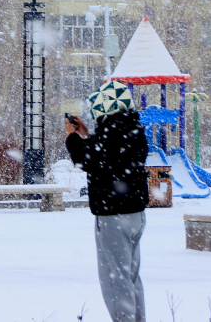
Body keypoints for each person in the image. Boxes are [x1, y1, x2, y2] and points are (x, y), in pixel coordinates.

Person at [65, 99, 149, 322]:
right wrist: (86, 135)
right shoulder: (132, 128)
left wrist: (72, 138)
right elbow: (110, 155)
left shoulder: (110, 133)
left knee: (115, 278)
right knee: (130, 276)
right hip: (135, 213)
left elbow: (88, 160)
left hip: (113, 215)